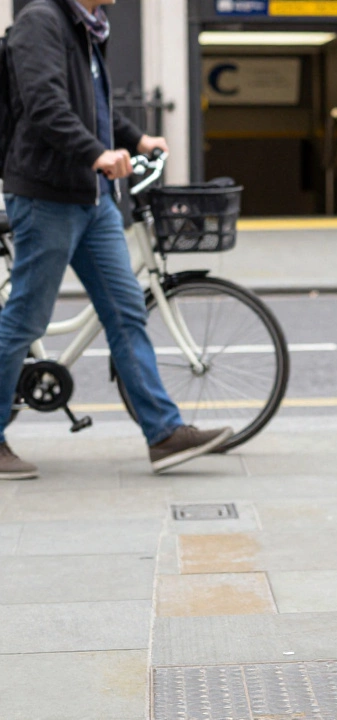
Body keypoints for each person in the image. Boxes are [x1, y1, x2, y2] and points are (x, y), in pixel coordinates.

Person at [0, 0, 233, 480]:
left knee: (126, 312)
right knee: (26, 319)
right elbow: (45, 105)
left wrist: (137, 138)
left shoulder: (88, 29)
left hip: (94, 200)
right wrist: (97, 154)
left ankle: (164, 434)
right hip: (48, 196)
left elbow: (96, 111)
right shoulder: (41, 22)